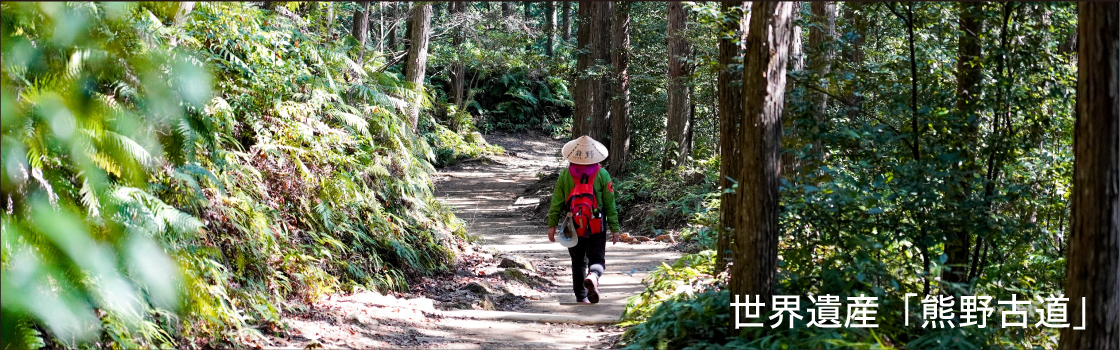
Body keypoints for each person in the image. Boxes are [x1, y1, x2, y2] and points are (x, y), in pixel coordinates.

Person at [547, 136, 620, 304]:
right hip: (597, 223)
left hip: (573, 223)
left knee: (578, 261)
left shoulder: (565, 175)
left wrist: (552, 224)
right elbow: (610, 204)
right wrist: (615, 228)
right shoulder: (602, 174)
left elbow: (557, 201)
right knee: (597, 259)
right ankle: (593, 276)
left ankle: (581, 297)